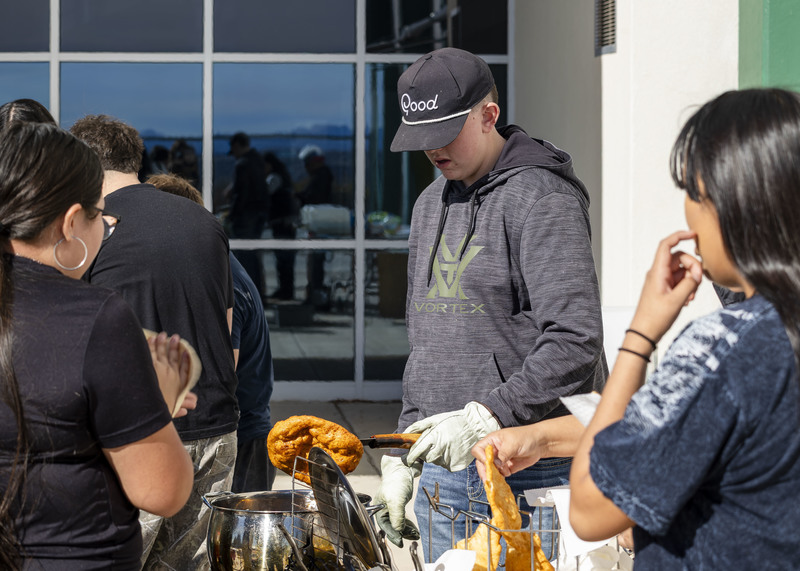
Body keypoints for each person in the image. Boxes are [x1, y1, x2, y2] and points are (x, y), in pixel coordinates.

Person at [373, 47, 607, 562]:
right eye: (420, 139)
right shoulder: (429, 202)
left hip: (529, 468)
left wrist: (491, 415)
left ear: (489, 115)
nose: (432, 151)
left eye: (444, 134)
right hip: (443, 467)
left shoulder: (543, 198)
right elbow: (427, 340)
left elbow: (576, 339)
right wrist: (401, 446)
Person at [568, 88, 800, 567]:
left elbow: (590, 508)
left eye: (694, 193)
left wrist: (641, 335)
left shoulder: (724, 349)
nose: (689, 213)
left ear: (734, 204)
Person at [0, 122, 194, 569]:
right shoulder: (95, 316)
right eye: (101, 217)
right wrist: (160, 402)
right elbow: (161, 492)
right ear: (71, 223)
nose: (104, 229)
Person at [70, 115, 238, 570]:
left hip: (140, 436)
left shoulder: (92, 231)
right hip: (217, 429)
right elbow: (226, 329)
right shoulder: (204, 222)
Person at [147, 172, 277, 492]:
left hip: (241, 442)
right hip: (243, 432)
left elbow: (219, 373)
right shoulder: (215, 265)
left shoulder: (219, 277)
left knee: (235, 542)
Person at [228, 132, 270, 301]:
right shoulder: (258, 161)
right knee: (253, 257)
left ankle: (247, 295)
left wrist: (232, 214)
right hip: (259, 214)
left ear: (237, 145)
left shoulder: (243, 165)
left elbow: (241, 194)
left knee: (244, 258)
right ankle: (257, 292)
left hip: (246, 217)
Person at [296, 145, 334, 306]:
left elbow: (312, 196)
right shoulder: (322, 176)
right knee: (315, 262)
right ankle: (314, 292)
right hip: (318, 223)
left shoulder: (321, 177)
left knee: (316, 263)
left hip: (319, 224)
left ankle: (315, 294)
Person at [264, 151, 297, 300]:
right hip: (285, 221)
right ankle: (286, 289)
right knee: (285, 259)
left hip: (281, 222)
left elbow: (265, 193)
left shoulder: (274, 178)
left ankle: (286, 290)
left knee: (283, 259)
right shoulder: (282, 177)